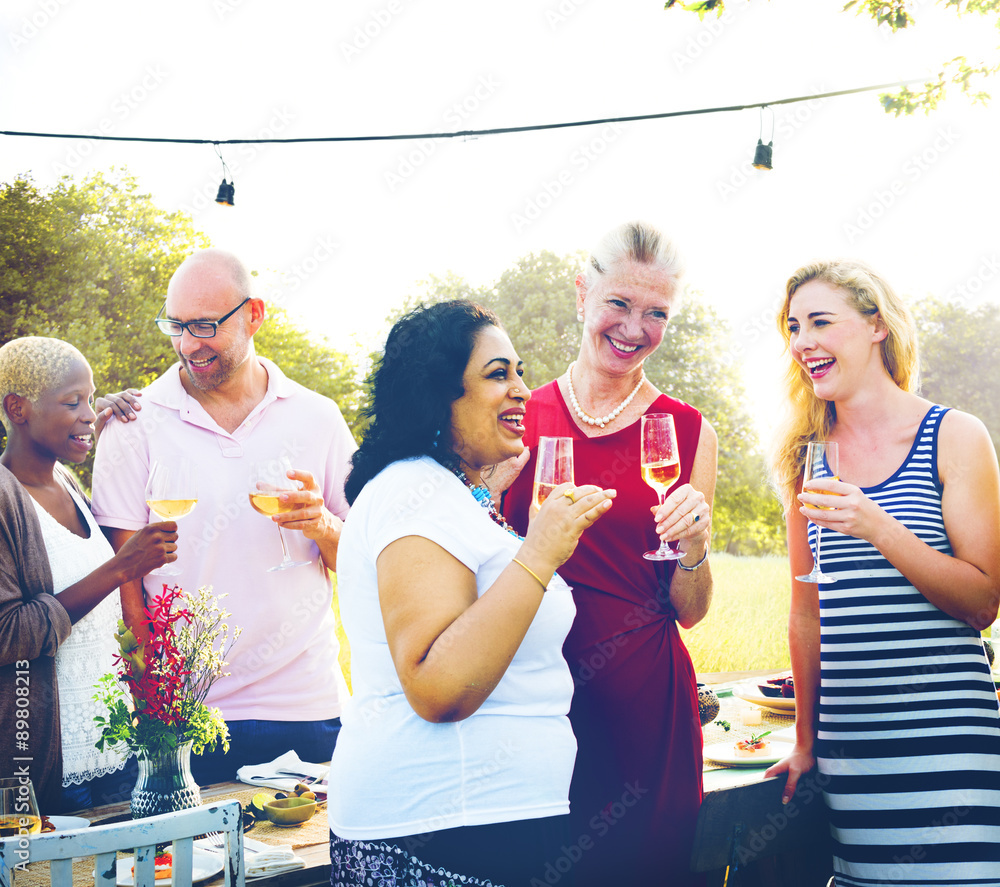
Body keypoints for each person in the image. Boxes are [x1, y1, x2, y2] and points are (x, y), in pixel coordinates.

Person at [327, 300, 615, 887]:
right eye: (497, 374)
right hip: (443, 829)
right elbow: (439, 687)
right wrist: (538, 553)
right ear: (440, 395)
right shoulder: (415, 490)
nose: (522, 390)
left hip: (482, 824)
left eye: (519, 372)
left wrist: (484, 502)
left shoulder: (442, 492)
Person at [764, 260, 1000, 885]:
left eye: (820, 321)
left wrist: (879, 527)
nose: (802, 341)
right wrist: (808, 744)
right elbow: (804, 613)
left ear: (875, 325)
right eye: (793, 328)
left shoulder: (954, 435)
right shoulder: (803, 460)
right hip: (854, 747)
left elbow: (982, 602)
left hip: (950, 735)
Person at [91, 248, 357, 786]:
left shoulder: (319, 417)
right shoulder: (133, 425)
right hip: (188, 717)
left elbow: (370, 560)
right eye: (177, 326)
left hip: (310, 707)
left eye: (206, 326)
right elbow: (126, 584)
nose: (190, 344)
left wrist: (324, 526)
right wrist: (155, 701)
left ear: (254, 314)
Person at [502, 221, 717, 885]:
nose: (634, 328)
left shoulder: (688, 430)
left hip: (645, 713)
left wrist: (695, 551)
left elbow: (691, 610)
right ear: (581, 294)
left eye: (657, 313)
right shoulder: (515, 417)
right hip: (529, 705)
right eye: (619, 304)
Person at [0, 337, 176, 813]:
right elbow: (8, 633)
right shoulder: (3, 498)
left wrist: (93, 420)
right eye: (71, 401)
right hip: (50, 767)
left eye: (91, 396)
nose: (88, 410)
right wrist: (122, 567)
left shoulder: (65, 481)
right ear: (18, 408)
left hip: (115, 750)